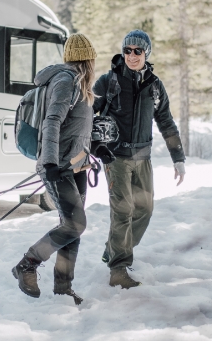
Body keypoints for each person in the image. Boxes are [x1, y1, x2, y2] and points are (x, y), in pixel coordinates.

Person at [12, 33, 102, 304]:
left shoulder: (80, 83)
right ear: (88, 59)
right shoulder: (66, 80)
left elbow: (76, 129)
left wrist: (97, 148)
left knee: (71, 229)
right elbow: (52, 122)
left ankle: (63, 289)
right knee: (75, 225)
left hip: (76, 165)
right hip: (59, 166)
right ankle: (27, 264)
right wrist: (49, 162)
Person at [93, 29, 186, 289]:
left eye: (138, 51)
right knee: (123, 211)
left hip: (142, 157)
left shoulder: (154, 85)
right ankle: (118, 270)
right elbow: (87, 114)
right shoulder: (108, 81)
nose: (132, 56)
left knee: (144, 209)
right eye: (127, 50)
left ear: (146, 53)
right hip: (115, 157)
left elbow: (166, 122)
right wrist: (90, 147)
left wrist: (178, 157)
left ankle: (114, 250)